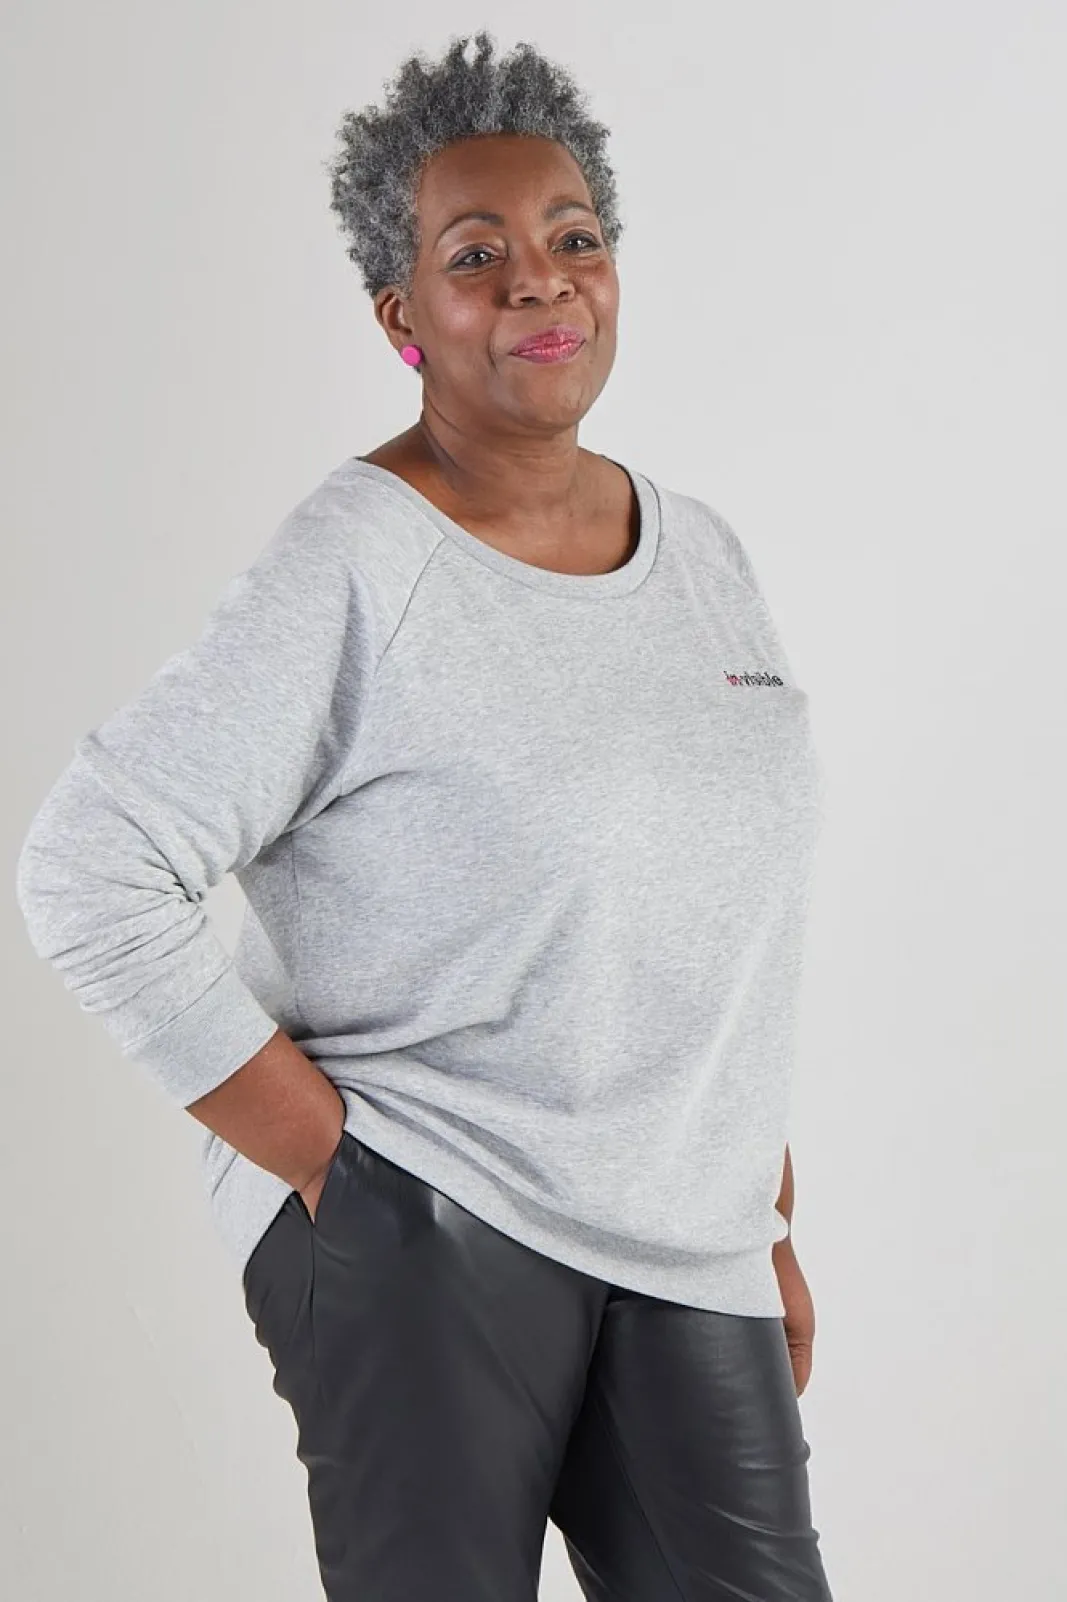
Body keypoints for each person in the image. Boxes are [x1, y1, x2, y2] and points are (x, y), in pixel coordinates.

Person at [15, 28, 833, 1602]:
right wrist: (342, 1175)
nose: (539, 282)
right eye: (475, 255)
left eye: (572, 237)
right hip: (432, 1219)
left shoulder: (705, 557)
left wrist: (760, 1217)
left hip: (685, 1241)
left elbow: (709, 918)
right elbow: (89, 864)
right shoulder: (358, 564)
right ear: (402, 316)